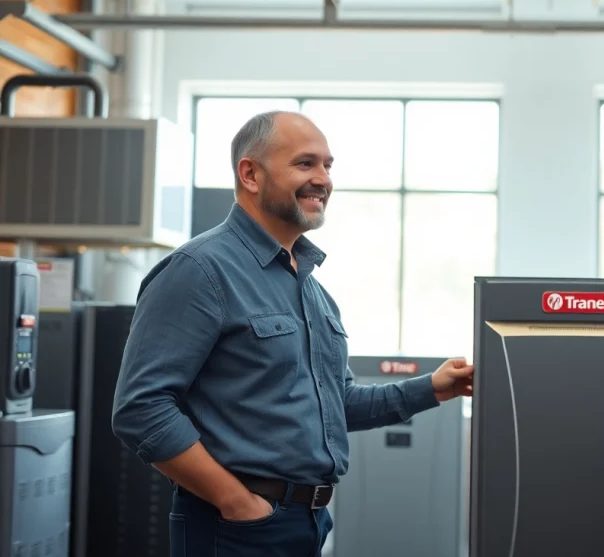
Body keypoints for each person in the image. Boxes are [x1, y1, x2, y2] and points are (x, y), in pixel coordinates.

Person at [111, 110, 474, 557]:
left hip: (306, 523)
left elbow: (333, 405)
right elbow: (141, 409)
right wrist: (237, 502)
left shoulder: (309, 287)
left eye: (328, 165)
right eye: (305, 164)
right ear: (250, 174)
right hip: (236, 528)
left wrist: (432, 389)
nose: (322, 178)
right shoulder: (200, 271)